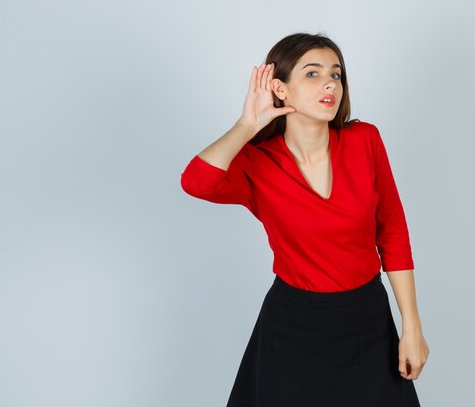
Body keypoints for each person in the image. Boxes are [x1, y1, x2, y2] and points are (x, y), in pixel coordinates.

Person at [180, 32, 429, 407]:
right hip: (293, 325)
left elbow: (392, 232)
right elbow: (195, 182)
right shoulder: (256, 162)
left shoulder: (365, 140)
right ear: (279, 88)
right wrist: (247, 124)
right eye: (312, 74)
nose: (330, 83)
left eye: (336, 74)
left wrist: (411, 326)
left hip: (367, 320)